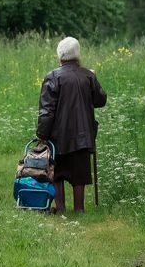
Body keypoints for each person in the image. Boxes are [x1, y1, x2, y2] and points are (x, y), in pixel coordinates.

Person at [36, 36, 107, 213]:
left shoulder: (52, 77)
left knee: (57, 173)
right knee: (79, 175)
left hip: (58, 136)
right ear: (78, 55)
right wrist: (94, 78)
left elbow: (46, 111)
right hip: (83, 135)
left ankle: (60, 208)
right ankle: (79, 209)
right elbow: (101, 100)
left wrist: (42, 135)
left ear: (60, 56)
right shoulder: (88, 76)